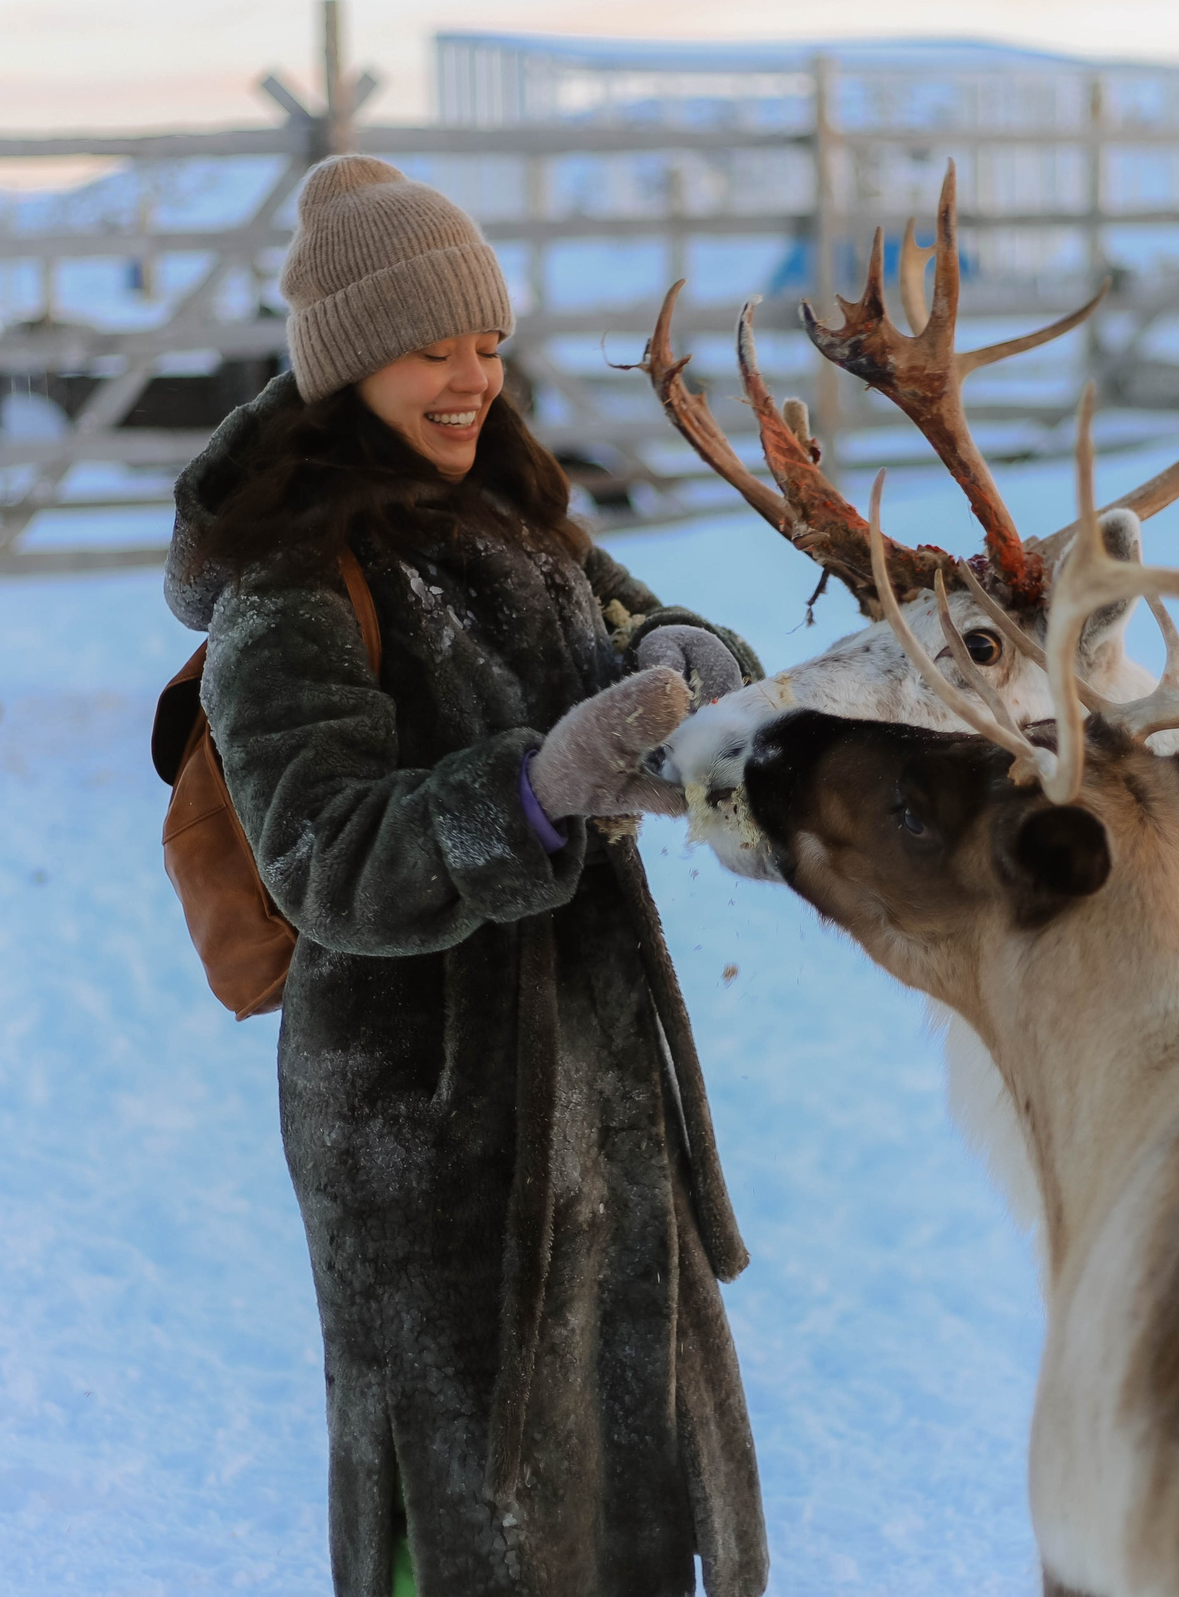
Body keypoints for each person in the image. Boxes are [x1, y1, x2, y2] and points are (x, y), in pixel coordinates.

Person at [163, 155, 767, 1597]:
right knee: (474, 1514)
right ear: (351, 361)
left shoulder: (513, 513)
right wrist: (537, 789)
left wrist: (680, 652)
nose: (471, 381)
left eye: (489, 347)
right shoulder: (288, 587)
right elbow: (326, 858)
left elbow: (628, 617)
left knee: (625, 1499)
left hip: (596, 1094)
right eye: (433, 348)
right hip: (424, 1130)